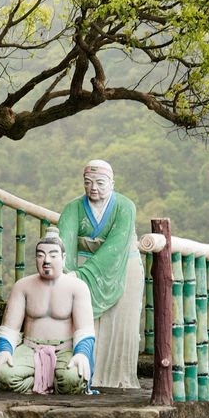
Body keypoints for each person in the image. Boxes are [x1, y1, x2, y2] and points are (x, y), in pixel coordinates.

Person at [57, 159, 143, 388]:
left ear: (112, 183)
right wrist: (68, 272)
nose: (93, 188)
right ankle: (81, 374)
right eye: (88, 182)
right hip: (82, 270)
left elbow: (116, 246)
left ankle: (118, 378)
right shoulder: (73, 207)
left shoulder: (125, 207)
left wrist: (81, 274)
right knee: (84, 321)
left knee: (121, 324)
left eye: (100, 183)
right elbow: (64, 242)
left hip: (123, 267)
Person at [0, 230, 95, 394]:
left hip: (65, 348)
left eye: (53, 255)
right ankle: (40, 382)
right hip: (30, 347)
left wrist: (82, 353)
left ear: (63, 258)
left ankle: (54, 380)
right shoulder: (22, 286)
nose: (46, 260)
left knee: (73, 380)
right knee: (2, 376)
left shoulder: (77, 287)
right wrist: (4, 350)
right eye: (40, 255)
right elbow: (9, 328)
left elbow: (85, 330)